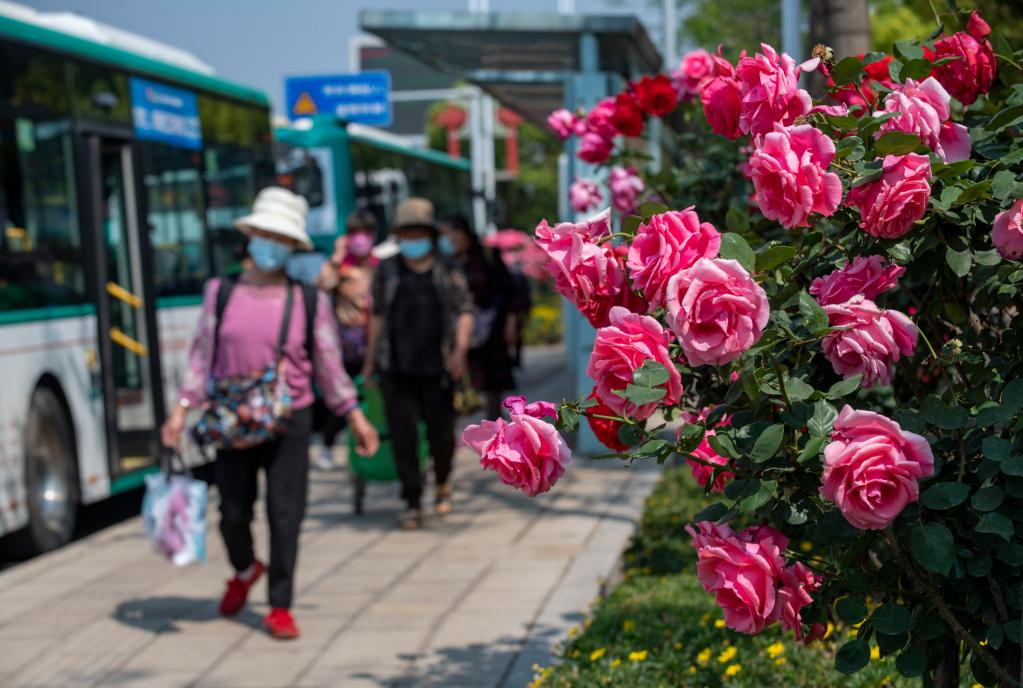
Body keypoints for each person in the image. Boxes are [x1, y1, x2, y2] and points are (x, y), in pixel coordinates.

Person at [160, 187, 379, 639]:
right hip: (231, 419)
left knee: (286, 515)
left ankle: (280, 604)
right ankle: (245, 569)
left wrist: (353, 415)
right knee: (233, 513)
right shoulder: (219, 292)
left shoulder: (307, 300)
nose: (272, 245)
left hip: (290, 418)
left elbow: (328, 363)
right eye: (266, 234)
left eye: (282, 238)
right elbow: (201, 354)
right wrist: (182, 409)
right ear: (251, 235)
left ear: (293, 246)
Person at [362, 198, 474, 530]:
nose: (413, 239)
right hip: (396, 368)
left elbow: (465, 308)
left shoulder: (447, 268)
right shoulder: (387, 269)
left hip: (437, 367)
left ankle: (442, 482)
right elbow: (377, 316)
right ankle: (412, 500)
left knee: (441, 435)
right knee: (403, 438)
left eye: (418, 232)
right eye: (406, 232)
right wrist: (369, 363)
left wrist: (461, 349)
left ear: (429, 233)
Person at [438, 215, 518, 420]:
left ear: (463, 233)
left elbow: (509, 289)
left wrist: (511, 320)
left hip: (491, 327)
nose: (447, 239)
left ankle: (493, 419)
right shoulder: (443, 263)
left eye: (450, 233)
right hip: (458, 328)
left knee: (492, 375)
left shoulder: (487, 256)